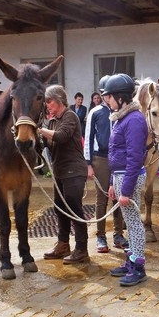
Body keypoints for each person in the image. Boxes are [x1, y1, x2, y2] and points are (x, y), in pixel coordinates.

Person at [103, 73, 149, 286]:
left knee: (134, 223)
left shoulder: (134, 120)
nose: (107, 100)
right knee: (130, 222)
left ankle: (138, 267)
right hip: (121, 176)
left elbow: (134, 158)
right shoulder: (123, 117)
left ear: (120, 97)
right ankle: (131, 260)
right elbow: (117, 155)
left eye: (109, 96)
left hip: (129, 176)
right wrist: (113, 182)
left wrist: (126, 191)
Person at [38, 85, 91, 264]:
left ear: (59, 100)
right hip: (60, 171)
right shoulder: (53, 121)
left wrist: (39, 129)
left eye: (49, 101)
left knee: (74, 208)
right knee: (60, 209)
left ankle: (82, 249)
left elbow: (61, 137)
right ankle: (63, 245)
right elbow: (48, 144)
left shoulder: (70, 116)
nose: (47, 105)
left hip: (74, 170)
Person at [85, 76, 127, 255]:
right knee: (102, 198)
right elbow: (88, 138)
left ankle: (118, 233)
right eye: (106, 94)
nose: (107, 97)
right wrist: (88, 163)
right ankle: (101, 235)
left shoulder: (120, 112)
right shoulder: (95, 112)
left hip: (116, 157)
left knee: (118, 196)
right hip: (100, 158)